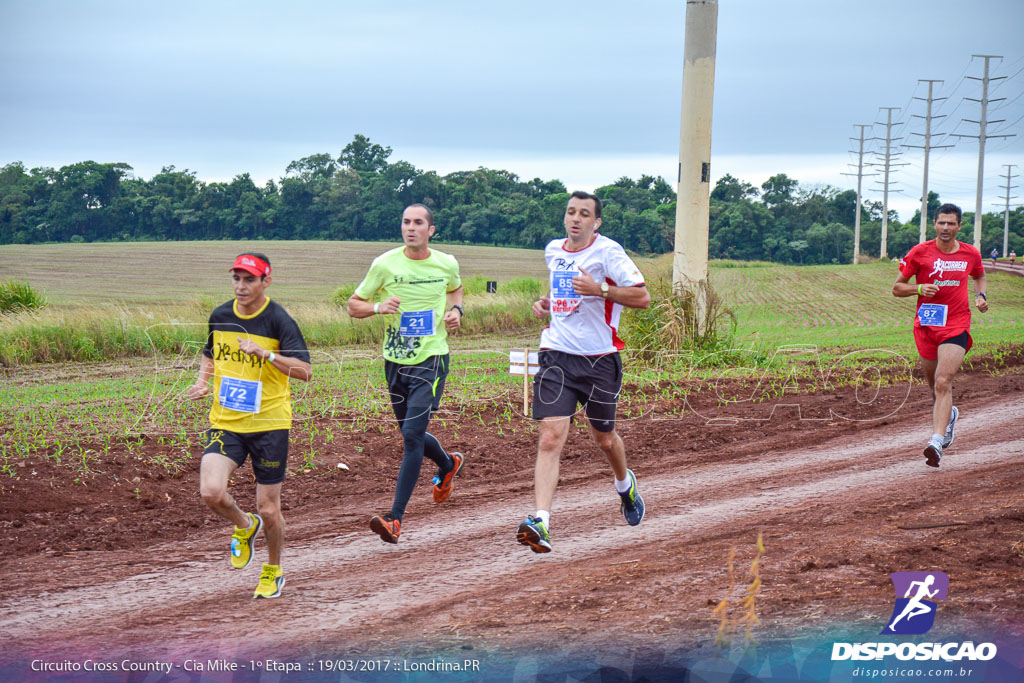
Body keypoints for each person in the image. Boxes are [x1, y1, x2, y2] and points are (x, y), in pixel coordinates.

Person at [516, 191, 651, 553]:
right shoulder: (553, 250)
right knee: (550, 437)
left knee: (604, 439)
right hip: (557, 354)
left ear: (597, 222)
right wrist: (547, 303)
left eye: (584, 214)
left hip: (599, 360)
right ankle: (541, 522)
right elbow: (560, 293)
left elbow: (643, 298)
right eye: (571, 212)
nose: (576, 219)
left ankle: (625, 485)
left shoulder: (608, 252)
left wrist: (601, 289)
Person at [187, 253, 312, 599]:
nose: (241, 287)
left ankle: (273, 571)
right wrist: (202, 381)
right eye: (236, 279)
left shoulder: (278, 320)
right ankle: (244, 526)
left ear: (265, 282)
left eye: (249, 280)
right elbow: (210, 353)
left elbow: (305, 372)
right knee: (211, 492)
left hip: (270, 424)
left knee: (269, 509)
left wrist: (267, 354)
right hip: (226, 421)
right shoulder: (221, 315)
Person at [347, 204, 466, 543]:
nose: (410, 228)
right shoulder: (384, 265)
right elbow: (353, 304)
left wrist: (456, 310)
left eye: (418, 223)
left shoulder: (446, 263)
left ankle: (394, 518)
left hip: (432, 359)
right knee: (409, 434)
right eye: (405, 222)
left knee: (413, 437)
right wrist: (376, 307)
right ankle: (447, 464)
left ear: (431, 230)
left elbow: (455, 288)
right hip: (395, 361)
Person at [893, 204, 987, 467]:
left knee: (943, 380)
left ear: (959, 226)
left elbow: (979, 275)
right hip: (926, 325)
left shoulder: (970, 253)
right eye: (941, 223)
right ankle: (950, 416)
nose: (946, 228)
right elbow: (897, 288)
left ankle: (936, 440)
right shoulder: (920, 252)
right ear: (934, 224)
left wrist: (981, 295)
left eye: (951, 224)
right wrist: (919, 288)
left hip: (956, 323)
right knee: (935, 387)